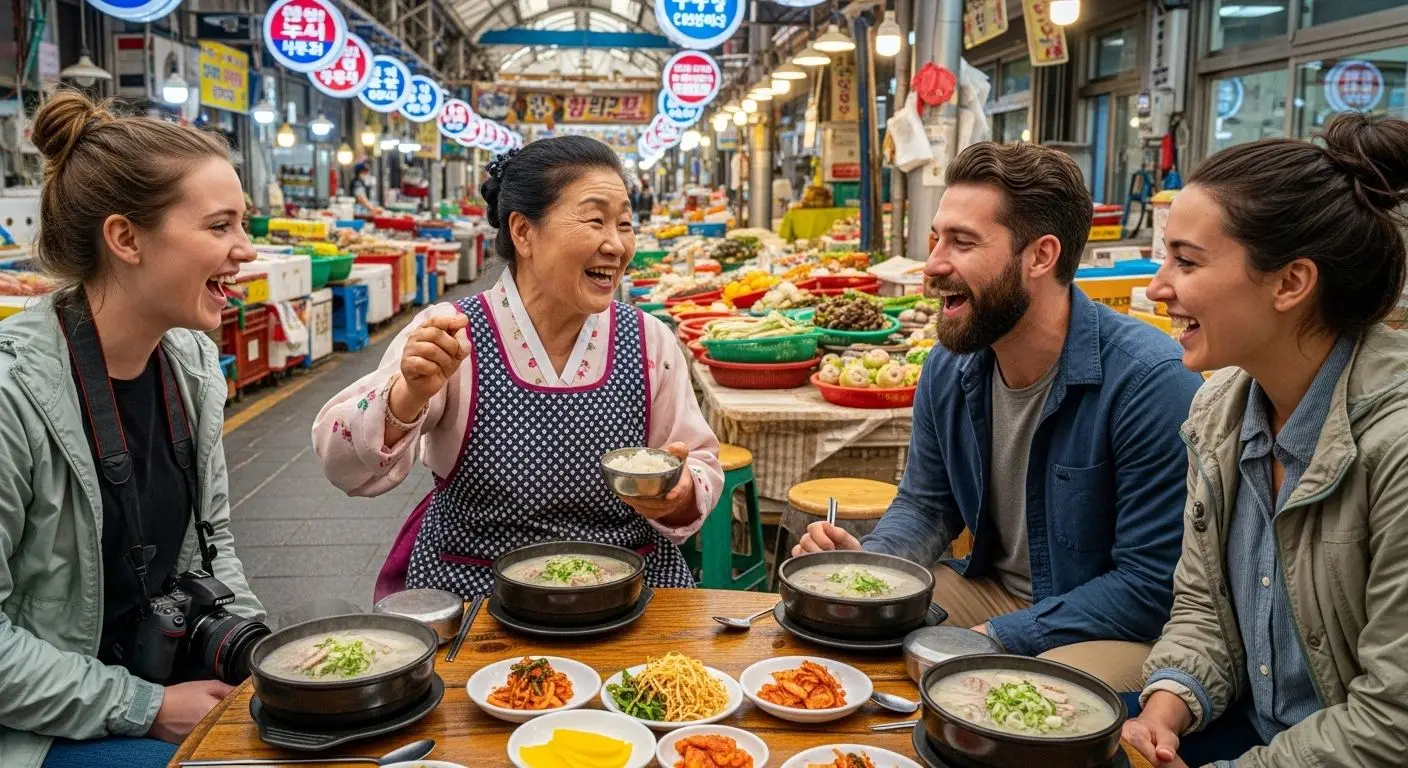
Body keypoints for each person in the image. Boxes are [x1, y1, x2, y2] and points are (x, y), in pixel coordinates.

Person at [793, 141, 1203, 691]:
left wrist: (1000, 636)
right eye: (937, 237)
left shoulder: (1149, 382)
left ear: (1040, 256)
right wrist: (869, 569)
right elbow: (927, 504)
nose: (934, 263)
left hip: (1115, 629)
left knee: (996, 701)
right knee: (839, 634)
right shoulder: (950, 365)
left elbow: (1149, 586)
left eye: (962, 243)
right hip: (993, 595)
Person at [314, 137, 723, 600]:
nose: (616, 244)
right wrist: (407, 395)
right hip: (479, 595)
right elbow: (341, 462)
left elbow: (701, 463)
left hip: (623, 592)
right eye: (595, 221)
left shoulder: (649, 339)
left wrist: (678, 494)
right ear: (524, 232)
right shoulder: (451, 333)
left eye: (625, 223)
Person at [1123, 114, 1408, 768]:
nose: (1157, 286)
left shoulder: (1395, 445)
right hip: (1251, 733)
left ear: (1290, 283)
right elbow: (1203, 610)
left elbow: (1392, 721)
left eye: (1186, 261)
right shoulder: (1222, 412)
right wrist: (1165, 704)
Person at [0, 91, 265, 768]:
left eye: (244, 223)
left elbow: (213, 544)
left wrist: (263, 654)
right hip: (42, 726)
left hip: (153, 681)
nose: (246, 249)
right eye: (220, 226)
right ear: (125, 239)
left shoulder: (193, 364)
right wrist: (144, 708)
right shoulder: (12, 397)